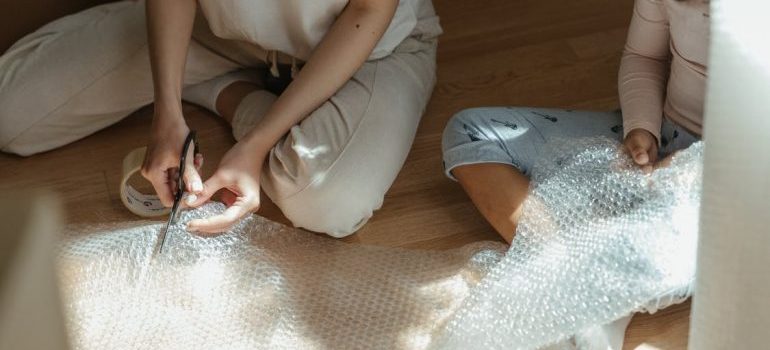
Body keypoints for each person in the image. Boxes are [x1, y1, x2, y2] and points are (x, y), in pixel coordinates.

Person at [0, 0, 442, 237]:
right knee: (10, 114)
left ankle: (230, 95)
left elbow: (369, 10)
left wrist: (255, 142)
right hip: (222, 32)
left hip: (366, 45)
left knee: (327, 201)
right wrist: (165, 110)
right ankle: (215, 85)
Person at [441, 0, 709, 243]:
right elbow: (644, 56)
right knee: (471, 132)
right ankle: (565, 261)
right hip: (666, 133)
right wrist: (641, 128)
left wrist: (693, 164)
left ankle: (650, 250)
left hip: (732, 171)